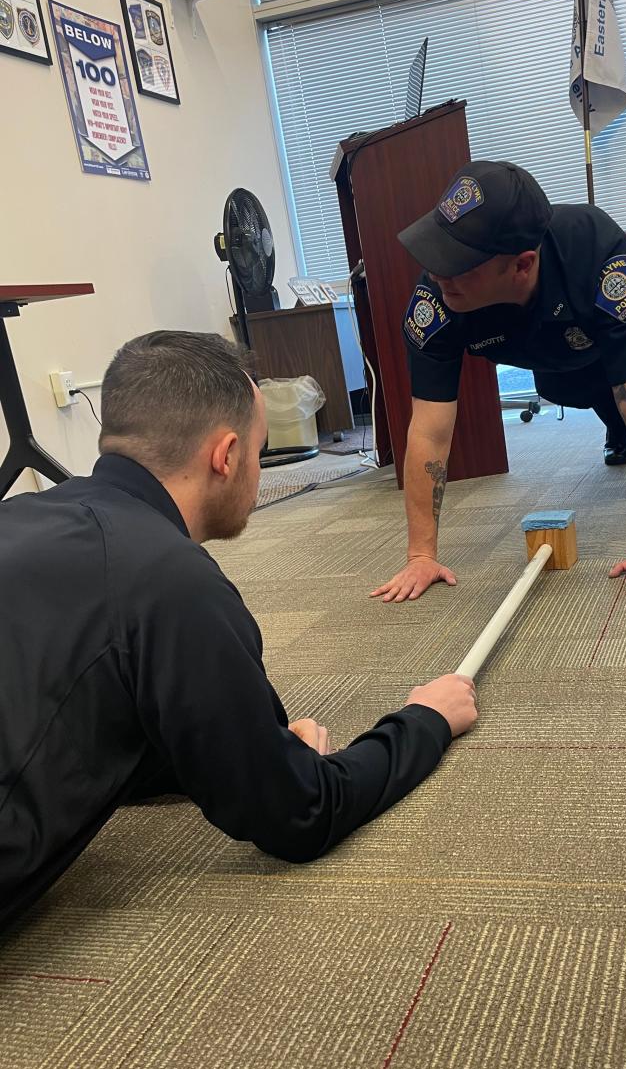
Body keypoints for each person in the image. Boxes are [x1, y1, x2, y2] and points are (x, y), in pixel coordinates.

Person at [0, 331, 477, 930]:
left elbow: (78, 691)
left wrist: (254, 748)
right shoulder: (170, 580)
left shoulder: (21, 514)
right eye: (259, 451)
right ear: (226, 457)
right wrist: (425, 720)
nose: (256, 467)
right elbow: (299, 814)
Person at [372, 160, 626, 603]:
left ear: (522, 264)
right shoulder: (438, 300)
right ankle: (609, 420)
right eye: (437, 253)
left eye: (456, 263)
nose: (435, 273)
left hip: (617, 335)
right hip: (550, 347)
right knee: (563, 388)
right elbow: (429, 431)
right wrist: (420, 556)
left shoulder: (601, 261)